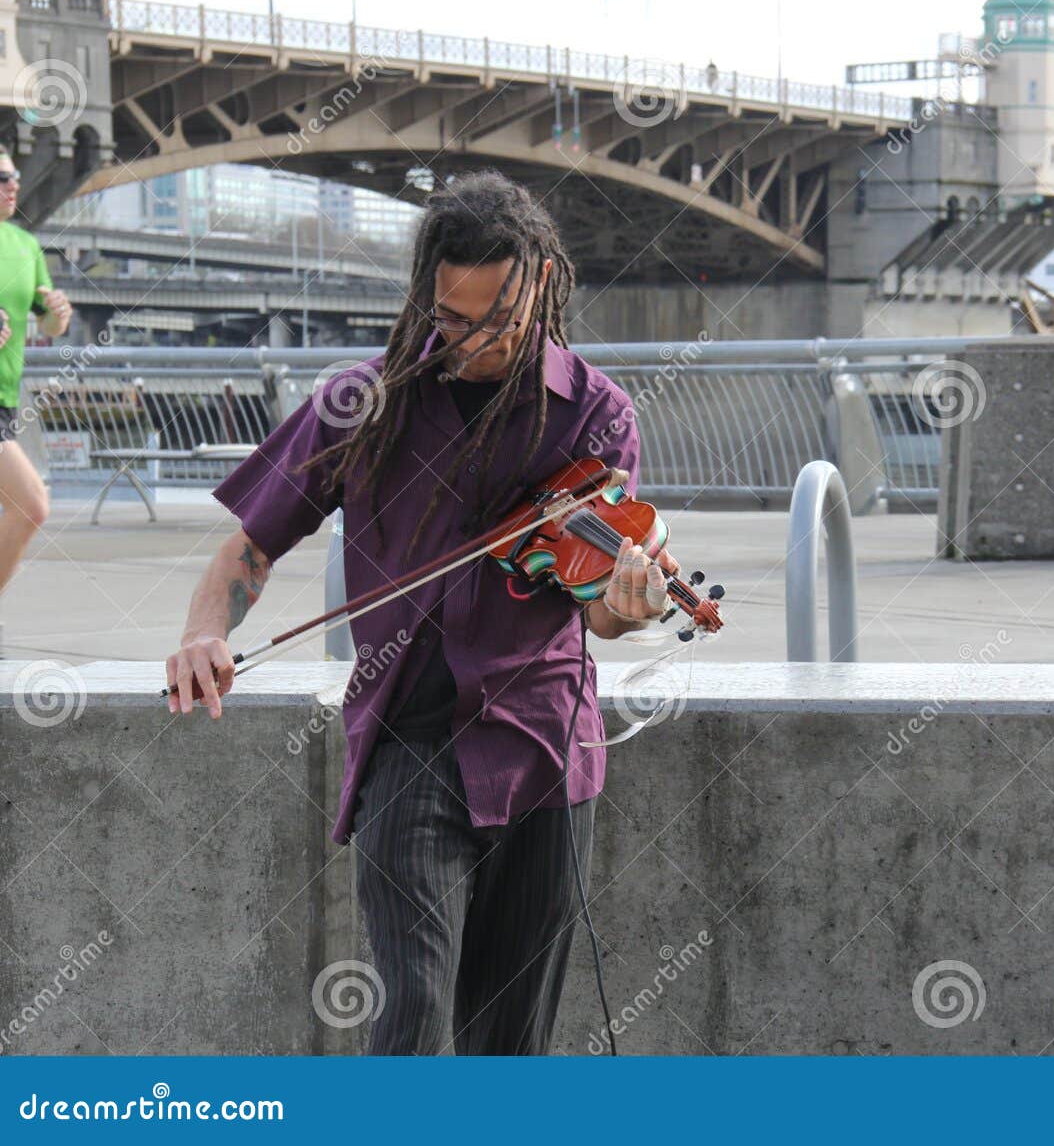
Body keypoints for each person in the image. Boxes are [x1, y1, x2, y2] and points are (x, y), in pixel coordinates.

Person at [165, 170, 680, 1054]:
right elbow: (247, 552)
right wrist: (203, 631)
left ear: (544, 289)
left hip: (544, 745)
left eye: (498, 320)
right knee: (409, 1024)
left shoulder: (597, 414)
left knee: (507, 1046)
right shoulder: (363, 404)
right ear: (423, 297)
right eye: (452, 317)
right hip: (409, 742)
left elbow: (598, 614)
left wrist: (630, 607)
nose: (473, 342)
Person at [0, 150, 73, 597]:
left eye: (15, 176)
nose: (13, 185)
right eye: (2, 176)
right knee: (30, 505)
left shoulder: (25, 247)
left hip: (6, 401)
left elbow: (47, 323)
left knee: (26, 507)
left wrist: (58, 316)